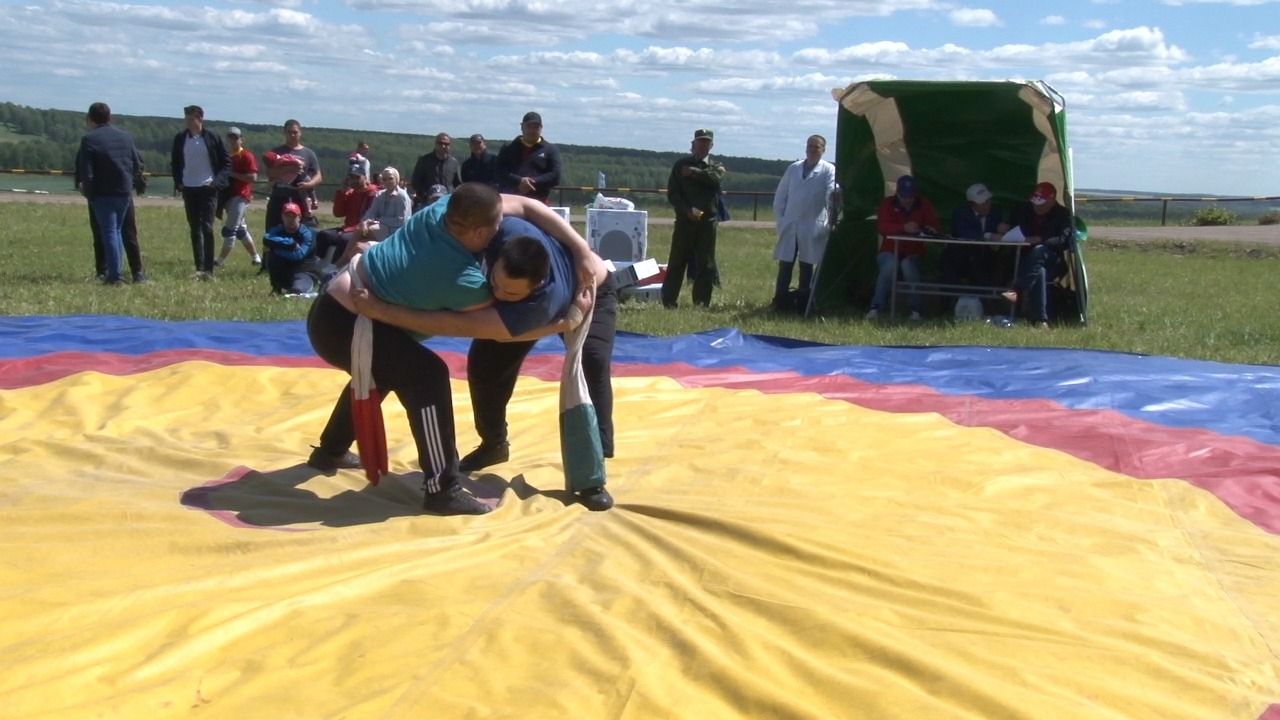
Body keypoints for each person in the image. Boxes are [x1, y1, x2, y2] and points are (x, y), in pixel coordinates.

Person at [305, 183, 605, 515]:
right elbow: (491, 330)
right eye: (495, 228)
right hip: (346, 323)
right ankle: (442, 488)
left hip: (337, 304)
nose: (500, 229)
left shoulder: (444, 210)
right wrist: (566, 321)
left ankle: (331, 450)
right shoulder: (464, 284)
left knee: (387, 366)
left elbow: (525, 204)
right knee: (425, 374)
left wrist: (581, 251)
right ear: (478, 232)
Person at [77, 101, 144, 286]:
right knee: (117, 231)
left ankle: (115, 276)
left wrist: (88, 193)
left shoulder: (89, 140)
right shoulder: (125, 137)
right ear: (110, 117)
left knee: (109, 232)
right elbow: (137, 165)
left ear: (91, 119)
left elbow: (87, 172)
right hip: (123, 191)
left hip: (102, 192)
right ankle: (119, 270)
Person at [771, 134, 838, 313]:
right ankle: (780, 301)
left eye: (816, 147)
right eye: (810, 146)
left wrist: (834, 198)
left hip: (812, 225)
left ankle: (803, 303)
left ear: (823, 150)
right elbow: (781, 195)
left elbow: (831, 191)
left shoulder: (828, 169)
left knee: (806, 264)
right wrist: (781, 219)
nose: (812, 149)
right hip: (791, 224)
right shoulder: (793, 168)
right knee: (785, 264)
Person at [662, 128, 726, 308]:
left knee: (705, 264)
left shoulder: (716, 166)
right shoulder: (680, 165)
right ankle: (668, 301)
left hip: (707, 223)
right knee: (677, 261)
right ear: (694, 144)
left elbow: (715, 179)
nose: (703, 145)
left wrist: (694, 172)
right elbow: (673, 194)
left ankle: (701, 302)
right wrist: (686, 210)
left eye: (706, 142)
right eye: (700, 141)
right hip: (684, 221)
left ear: (711, 146)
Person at [867, 175, 939, 321]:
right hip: (889, 250)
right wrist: (903, 228)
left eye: (911, 196)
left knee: (907, 266)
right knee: (890, 265)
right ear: (898, 193)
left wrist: (930, 229)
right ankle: (875, 308)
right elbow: (882, 227)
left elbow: (935, 227)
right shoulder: (887, 204)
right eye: (904, 196)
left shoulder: (924, 204)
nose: (907, 200)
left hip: (914, 252)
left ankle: (916, 310)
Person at [171, 105, 231, 280]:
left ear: (200, 119)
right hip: (189, 188)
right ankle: (199, 267)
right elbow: (175, 162)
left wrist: (216, 183)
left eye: (192, 119)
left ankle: (209, 270)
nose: (189, 123)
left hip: (208, 188)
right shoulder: (181, 139)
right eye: (187, 119)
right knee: (195, 228)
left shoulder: (212, 137)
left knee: (207, 227)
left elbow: (226, 163)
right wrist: (179, 182)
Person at [1003, 181, 1073, 328]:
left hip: (1052, 258)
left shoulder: (1063, 215)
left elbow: (1063, 240)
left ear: (1053, 200)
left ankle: (1017, 288)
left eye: (1041, 204)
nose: (1037, 207)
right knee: (1039, 272)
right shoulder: (1023, 210)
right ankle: (1040, 320)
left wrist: (1042, 241)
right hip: (1026, 258)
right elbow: (1013, 229)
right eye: (1035, 204)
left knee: (1039, 250)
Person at [940, 182, 1006, 292]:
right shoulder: (960, 213)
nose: (987, 204)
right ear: (972, 204)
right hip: (962, 254)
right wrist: (989, 236)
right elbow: (964, 233)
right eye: (983, 202)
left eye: (988, 201)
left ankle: (987, 300)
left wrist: (1002, 232)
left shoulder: (996, 212)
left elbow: (999, 234)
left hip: (986, 256)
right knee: (948, 262)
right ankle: (949, 302)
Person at [315, 158, 380, 264]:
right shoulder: (350, 193)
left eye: (357, 177)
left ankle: (335, 267)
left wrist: (346, 230)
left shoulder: (373, 194)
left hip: (362, 230)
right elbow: (338, 213)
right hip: (347, 228)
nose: (353, 180)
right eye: (351, 177)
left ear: (364, 177)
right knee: (323, 235)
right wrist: (342, 192)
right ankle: (316, 264)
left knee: (344, 239)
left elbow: (368, 217)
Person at [263, 119, 323, 233]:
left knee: (298, 233)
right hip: (279, 197)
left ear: (300, 132)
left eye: (295, 132)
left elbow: (318, 176)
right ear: (284, 133)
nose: (292, 135)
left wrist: (309, 185)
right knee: (273, 231)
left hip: (299, 198)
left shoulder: (308, 153)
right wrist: (288, 169)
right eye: (289, 132)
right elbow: (269, 173)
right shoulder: (276, 152)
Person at [215, 126, 262, 268]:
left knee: (230, 229)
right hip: (228, 196)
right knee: (241, 229)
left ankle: (219, 261)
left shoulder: (246, 156)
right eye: (230, 137)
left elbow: (253, 177)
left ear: (241, 140)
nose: (232, 140)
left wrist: (232, 174)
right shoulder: (226, 156)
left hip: (240, 196)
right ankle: (256, 257)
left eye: (235, 138)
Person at [496, 111, 562, 203]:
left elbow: (555, 176)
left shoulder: (550, 149)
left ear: (541, 128)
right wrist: (519, 181)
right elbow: (498, 172)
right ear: (522, 126)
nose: (532, 130)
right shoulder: (508, 148)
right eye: (528, 126)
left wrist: (531, 182)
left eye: (536, 127)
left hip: (539, 201)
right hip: (511, 201)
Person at [345, 166, 412, 248]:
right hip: (382, 228)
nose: (387, 181)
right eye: (384, 179)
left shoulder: (401, 196)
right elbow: (371, 212)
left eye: (390, 178)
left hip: (395, 232)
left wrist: (379, 220)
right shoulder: (380, 194)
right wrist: (365, 222)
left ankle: (342, 260)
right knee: (358, 243)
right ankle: (346, 259)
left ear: (396, 179)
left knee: (359, 234)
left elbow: (401, 221)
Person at [262, 201, 319, 295]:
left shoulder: (308, 233)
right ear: (282, 217)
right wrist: (290, 243)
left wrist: (274, 249)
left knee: (297, 291)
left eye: (293, 216)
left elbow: (298, 255)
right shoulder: (277, 230)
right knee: (271, 257)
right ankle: (277, 287)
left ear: (299, 218)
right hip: (285, 273)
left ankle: (302, 287)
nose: (290, 219)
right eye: (287, 216)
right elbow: (266, 238)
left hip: (304, 273)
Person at [410, 132, 462, 210]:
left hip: (447, 203)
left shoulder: (453, 162)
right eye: (440, 143)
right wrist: (425, 195)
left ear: (449, 146)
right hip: (427, 203)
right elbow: (415, 182)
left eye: (446, 144)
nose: (443, 146)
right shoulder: (424, 160)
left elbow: (457, 184)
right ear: (435, 144)